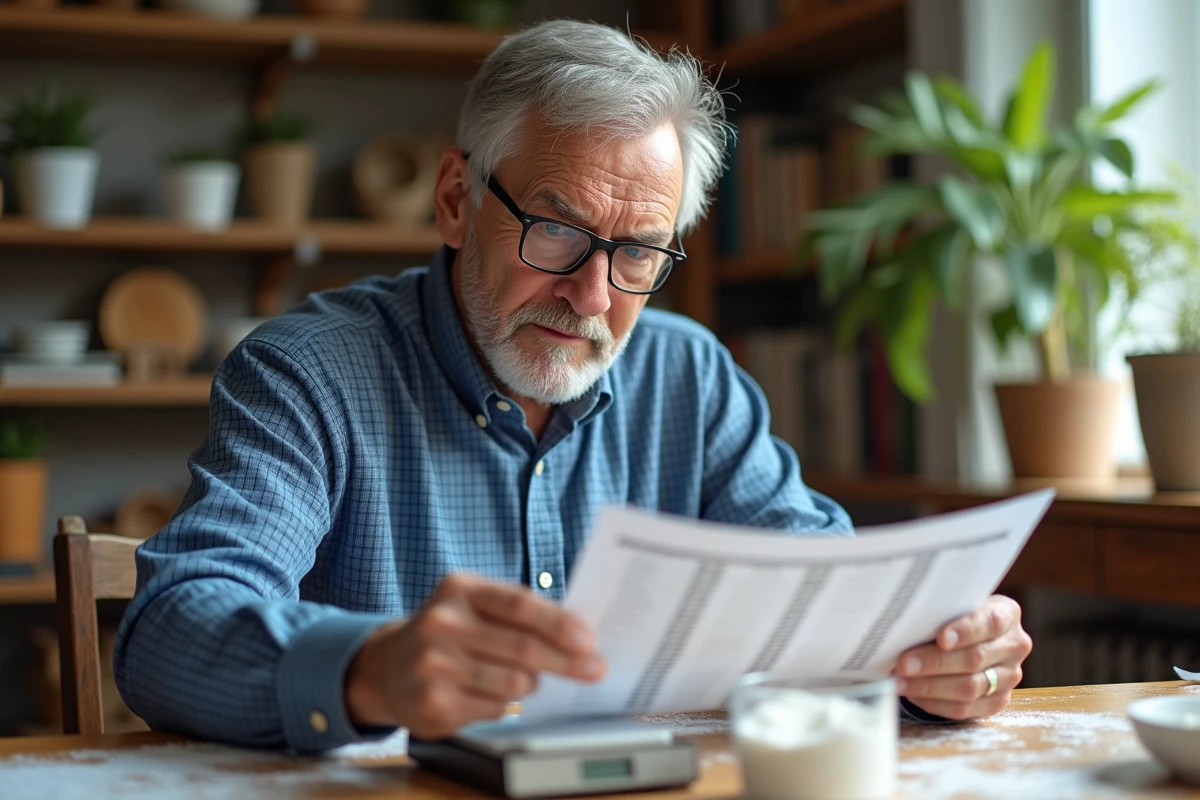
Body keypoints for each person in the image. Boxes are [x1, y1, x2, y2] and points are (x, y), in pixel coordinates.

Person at [114, 19, 1032, 751]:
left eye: (637, 251)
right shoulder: (308, 373)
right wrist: (368, 668)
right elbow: (165, 632)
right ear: (453, 199)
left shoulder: (691, 375)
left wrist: (938, 661)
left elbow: (831, 597)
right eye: (555, 232)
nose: (592, 295)